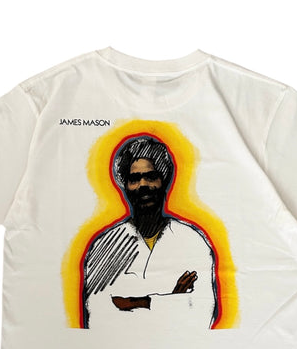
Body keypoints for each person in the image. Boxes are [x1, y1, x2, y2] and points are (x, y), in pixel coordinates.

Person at [82, 135, 218, 329]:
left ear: (164, 182)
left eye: (151, 176)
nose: (143, 185)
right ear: (125, 186)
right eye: (134, 179)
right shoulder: (106, 245)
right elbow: (98, 319)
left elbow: (200, 315)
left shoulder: (192, 241)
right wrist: (173, 298)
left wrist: (135, 302)